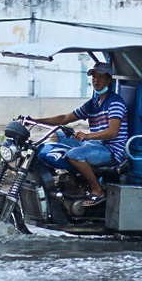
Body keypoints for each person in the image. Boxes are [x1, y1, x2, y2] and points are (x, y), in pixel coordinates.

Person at [32, 62, 127, 206]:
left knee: (75, 154)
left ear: (109, 80)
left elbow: (113, 132)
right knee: (56, 136)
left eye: (100, 76)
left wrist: (87, 136)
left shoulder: (115, 102)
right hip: (95, 144)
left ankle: (97, 190)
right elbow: (65, 118)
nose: (96, 80)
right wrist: (34, 120)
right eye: (94, 76)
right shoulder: (93, 103)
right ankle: (58, 180)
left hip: (111, 150)